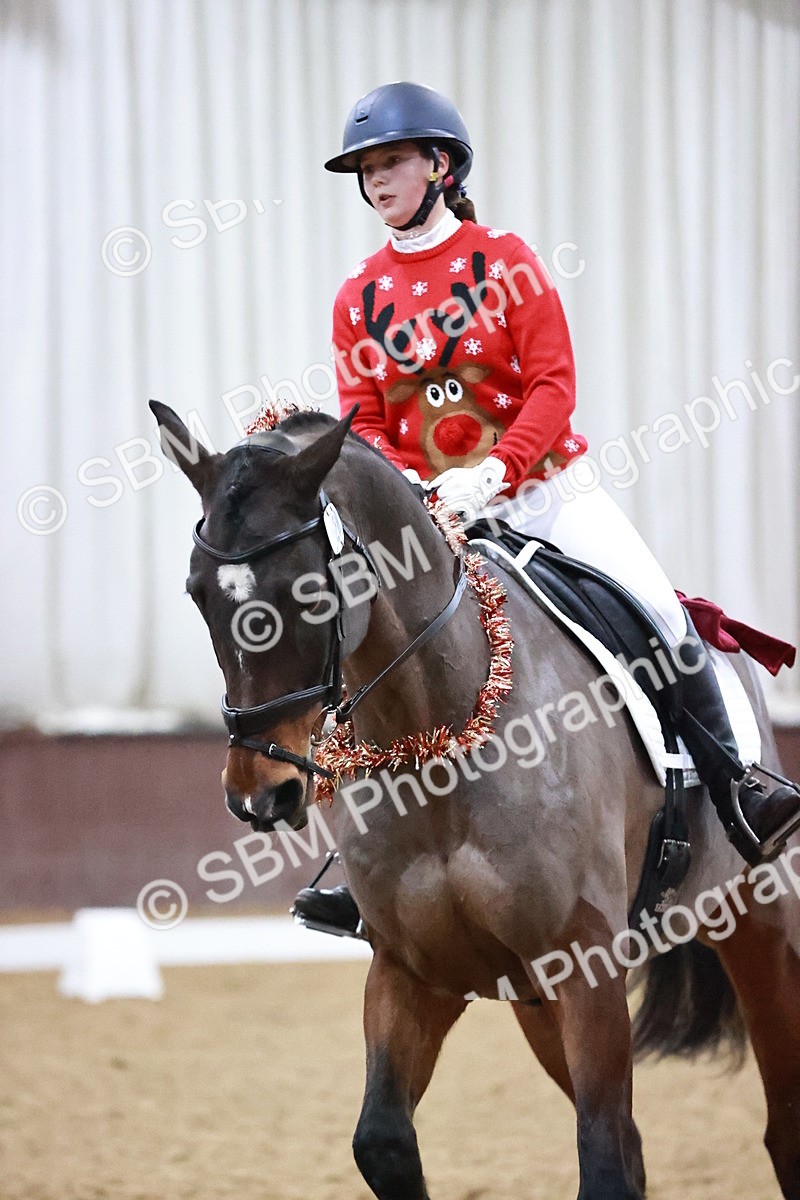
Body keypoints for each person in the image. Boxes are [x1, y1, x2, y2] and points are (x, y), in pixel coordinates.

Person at [293, 81, 799, 936]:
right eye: (366, 169)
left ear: (440, 165)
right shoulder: (358, 296)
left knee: (661, 617)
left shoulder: (506, 262)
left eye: (392, 163)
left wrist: (494, 473)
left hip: (545, 492)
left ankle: (738, 790)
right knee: (361, 646)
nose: (377, 182)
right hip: (430, 518)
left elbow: (553, 389)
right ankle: (362, 860)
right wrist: (410, 496)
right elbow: (366, 418)